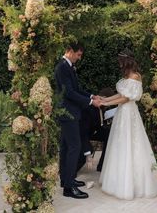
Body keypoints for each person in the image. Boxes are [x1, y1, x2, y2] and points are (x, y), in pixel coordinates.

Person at [99, 49, 157, 200]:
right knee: (120, 144)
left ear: (126, 61)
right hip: (122, 113)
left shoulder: (135, 76)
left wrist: (106, 103)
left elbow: (126, 99)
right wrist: (105, 100)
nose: (119, 64)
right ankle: (117, 181)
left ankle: (133, 185)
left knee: (132, 144)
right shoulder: (127, 75)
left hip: (129, 114)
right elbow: (121, 95)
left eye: (120, 61)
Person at [54, 42, 100, 199]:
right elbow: (69, 93)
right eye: (78, 55)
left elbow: (77, 89)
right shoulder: (62, 67)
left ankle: (67, 180)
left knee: (67, 147)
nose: (79, 58)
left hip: (70, 112)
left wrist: (91, 96)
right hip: (68, 113)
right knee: (74, 147)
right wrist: (90, 102)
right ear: (69, 51)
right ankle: (69, 188)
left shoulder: (68, 67)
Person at [77, 88, 115, 172]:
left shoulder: (100, 109)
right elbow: (83, 133)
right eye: (108, 102)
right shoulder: (89, 109)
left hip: (93, 131)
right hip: (80, 134)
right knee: (87, 150)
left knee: (109, 134)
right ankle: (71, 171)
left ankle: (102, 166)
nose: (109, 105)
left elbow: (99, 124)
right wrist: (88, 154)